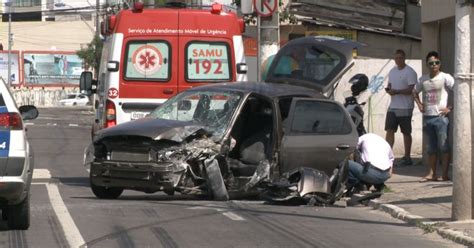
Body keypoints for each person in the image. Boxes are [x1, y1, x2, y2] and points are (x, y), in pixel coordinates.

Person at [413, 51, 454, 182]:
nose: (434, 65)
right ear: (427, 64)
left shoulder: (445, 77)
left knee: (443, 146)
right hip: (427, 117)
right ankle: (432, 173)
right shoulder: (423, 79)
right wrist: (419, 104)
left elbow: (459, 90)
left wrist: (450, 108)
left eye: (436, 63)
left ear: (440, 64)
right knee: (431, 148)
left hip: (440, 117)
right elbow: (414, 92)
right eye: (431, 63)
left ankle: (445, 174)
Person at [385, 49, 418, 166]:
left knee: (406, 132)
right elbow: (389, 86)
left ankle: (407, 157)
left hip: (405, 107)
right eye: (396, 58)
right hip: (393, 106)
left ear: (404, 58)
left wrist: (397, 92)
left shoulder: (410, 72)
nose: (398, 60)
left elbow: (411, 90)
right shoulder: (392, 71)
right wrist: (389, 91)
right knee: (389, 130)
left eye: (400, 58)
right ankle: (387, 155)